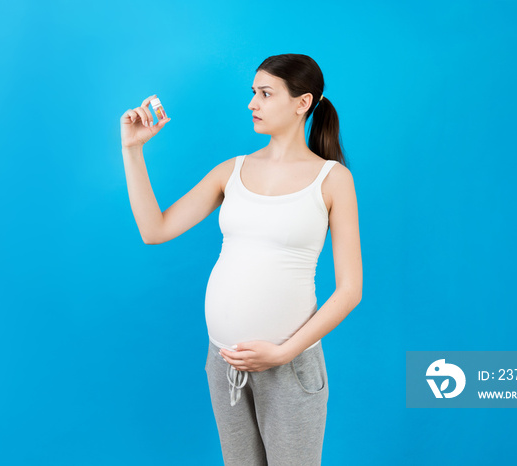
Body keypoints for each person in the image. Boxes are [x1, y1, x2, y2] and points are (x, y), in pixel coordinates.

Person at [120, 53, 362, 466]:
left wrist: (283, 353)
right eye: (253, 93)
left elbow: (349, 291)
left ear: (302, 103)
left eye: (266, 94)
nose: (253, 103)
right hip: (223, 361)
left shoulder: (332, 179)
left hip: (289, 366)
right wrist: (132, 150)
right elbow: (154, 230)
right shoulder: (230, 171)